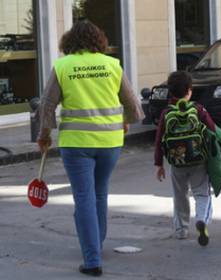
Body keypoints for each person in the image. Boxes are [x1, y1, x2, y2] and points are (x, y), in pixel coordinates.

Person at [37, 20, 144, 276]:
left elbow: (47, 105)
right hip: (109, 142)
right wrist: (125, 123)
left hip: (76, 143)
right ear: (99, 41)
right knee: (99, 193)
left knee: (83, 198)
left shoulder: (63, 66)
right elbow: (131, 103)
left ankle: (92, 258)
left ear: (69, 42)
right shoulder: (112, 65)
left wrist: (44, 135)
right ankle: (97, 241)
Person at [154, 71, 216, 246]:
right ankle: (201, 218)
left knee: (179, 195)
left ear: (170, 91)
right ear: (189, 90)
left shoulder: (167, 113)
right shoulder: (197, 109)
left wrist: (159, 164)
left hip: (177, 162)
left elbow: (159, 140)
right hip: (199, 161)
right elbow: (211, 130)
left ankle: (181, 230)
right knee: (202, 194)